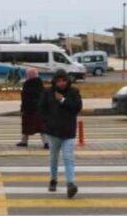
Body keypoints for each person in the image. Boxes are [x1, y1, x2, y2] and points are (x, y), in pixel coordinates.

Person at [39, 69, 83, 199]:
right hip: (53, 131)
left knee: (68, 157)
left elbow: (77, 107)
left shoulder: (73, 92)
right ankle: (53, 179)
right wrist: (46, 122)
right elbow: (41, 108)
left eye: (64, 80)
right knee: (54, 157)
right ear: (54, 82)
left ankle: (70, 184)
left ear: (67, 80)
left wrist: (63, 100)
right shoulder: (48, 92)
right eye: (58, 81)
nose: (61, 83)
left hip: (68, 130)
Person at [17, 68, 47, 149]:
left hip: (29, 109)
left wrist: (22, 109)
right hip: (39, 109)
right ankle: (46, 142)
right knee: (42, 127)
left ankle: (24, 141)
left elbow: (24, 98)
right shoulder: (40, 83)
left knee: (26, 126)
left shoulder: (27, 84)